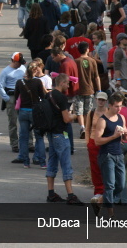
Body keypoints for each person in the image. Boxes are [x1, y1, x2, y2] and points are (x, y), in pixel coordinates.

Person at [45, 74, 83, 205]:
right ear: (61, 83)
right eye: (67, 83)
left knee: (52, 161)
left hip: (51, 133)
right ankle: (70, 195)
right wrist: (75, 116)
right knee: (66, 164)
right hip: (61, 134)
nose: (68, 86)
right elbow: (66, 118)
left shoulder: (48, 95)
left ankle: (51, 193)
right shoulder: (61, 97)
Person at [93, 92, 127, 217]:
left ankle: (101, 200)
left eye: (120, 106)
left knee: (121, 184)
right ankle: (111, 215)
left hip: (119, 154)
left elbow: (125, 137)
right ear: (110, 105)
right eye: (116, 106)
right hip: (106, 155)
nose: (119, 109)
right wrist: (113, 136)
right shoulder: (103, 120)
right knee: (110, 185)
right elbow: (97, 141)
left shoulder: (121, 118)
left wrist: (125, 133)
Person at [13, 63, 46, 168]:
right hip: (35, 111)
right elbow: (42, 97)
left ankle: (26, 162)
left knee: (24, 137)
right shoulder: (38, 82)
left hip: (23, 111)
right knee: (39, 136)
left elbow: (16, 97)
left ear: (26, 71)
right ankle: (42, 162)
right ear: (36, 71)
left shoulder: (19, 82)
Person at [0, 52, 27, 154]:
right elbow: (0, 87)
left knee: (26, 120)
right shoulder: (5, 71)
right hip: (11, 96)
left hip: (22, 96)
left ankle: (29, 143)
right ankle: (14, 144)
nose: (20, 64)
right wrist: (7, 99)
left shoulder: (23, 68)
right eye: (19, 62)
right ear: (14, 61)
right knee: (13, 122)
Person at [74, 42, 100, 139]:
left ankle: (82, 127)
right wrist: (99, 89)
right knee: (87, 111)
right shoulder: (92, 61)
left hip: (78, 90)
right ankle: (87, 128)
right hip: (90, 89)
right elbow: (96, 77)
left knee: (79, 111)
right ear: (87, 49)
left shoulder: (75, 61)